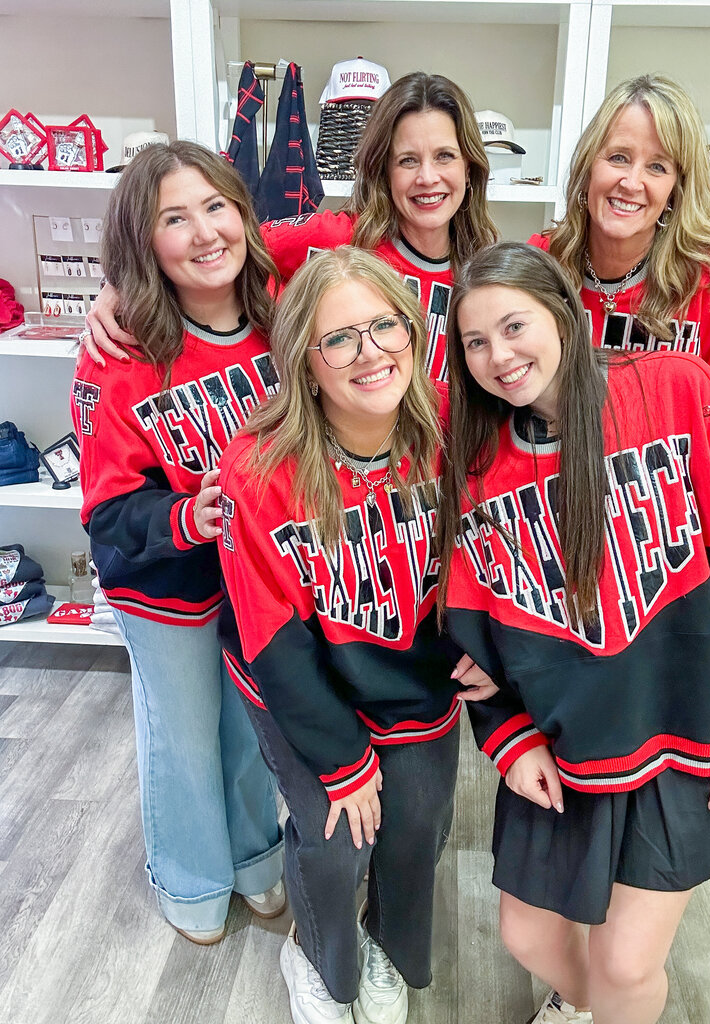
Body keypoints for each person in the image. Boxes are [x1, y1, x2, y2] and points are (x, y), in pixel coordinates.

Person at [437, 241, 710, 1024]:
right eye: (475, 342)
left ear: (562, 311)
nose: (499, 356)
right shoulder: (478, 465)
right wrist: (509, 737)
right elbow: (473, 641)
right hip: (565, 746)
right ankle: (582, 1005)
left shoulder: (675, 388)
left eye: (513, 325)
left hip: (687, 733)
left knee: (629, 966)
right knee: (527, 934)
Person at [215, 245, 496, 1024]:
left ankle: (386, 946)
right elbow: (275, 642)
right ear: (305, 363)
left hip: (407, 673)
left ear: (413, 330)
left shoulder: (451, 426)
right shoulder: (261, 468)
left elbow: (498, 543)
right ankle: (318, 955)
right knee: (337, 841)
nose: (371, 352)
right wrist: (341, 762)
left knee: (420, 826)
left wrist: (494, 642)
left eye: (385, 327)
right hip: (301, 683)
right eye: (340, 338)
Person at [70, 140, 284, 945]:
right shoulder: (123, 354)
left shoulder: (280, 313)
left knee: (252, 728)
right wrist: (184, 519)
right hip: (166, 591)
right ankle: (191, 879)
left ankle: (258, 855)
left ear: (242, 212)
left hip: (260, 584)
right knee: (186, 735)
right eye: (173, 217)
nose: (203, 233)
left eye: (215, 206)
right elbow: (106, 513)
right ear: (142, 243)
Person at [83, 72, 499, 383]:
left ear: (470, 166)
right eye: (408, 160)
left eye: (445, 156)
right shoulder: (339, 240)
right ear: (382, 169)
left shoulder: (481, 265)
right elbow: (219, 244)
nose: (427, 178)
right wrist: (119, 283)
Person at [529, 73, 710, 423]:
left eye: (657, 166)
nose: (631, 182)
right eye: (618, 157)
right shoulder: (541, 261)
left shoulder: (704, 279)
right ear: (588, 166)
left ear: (676, 190)